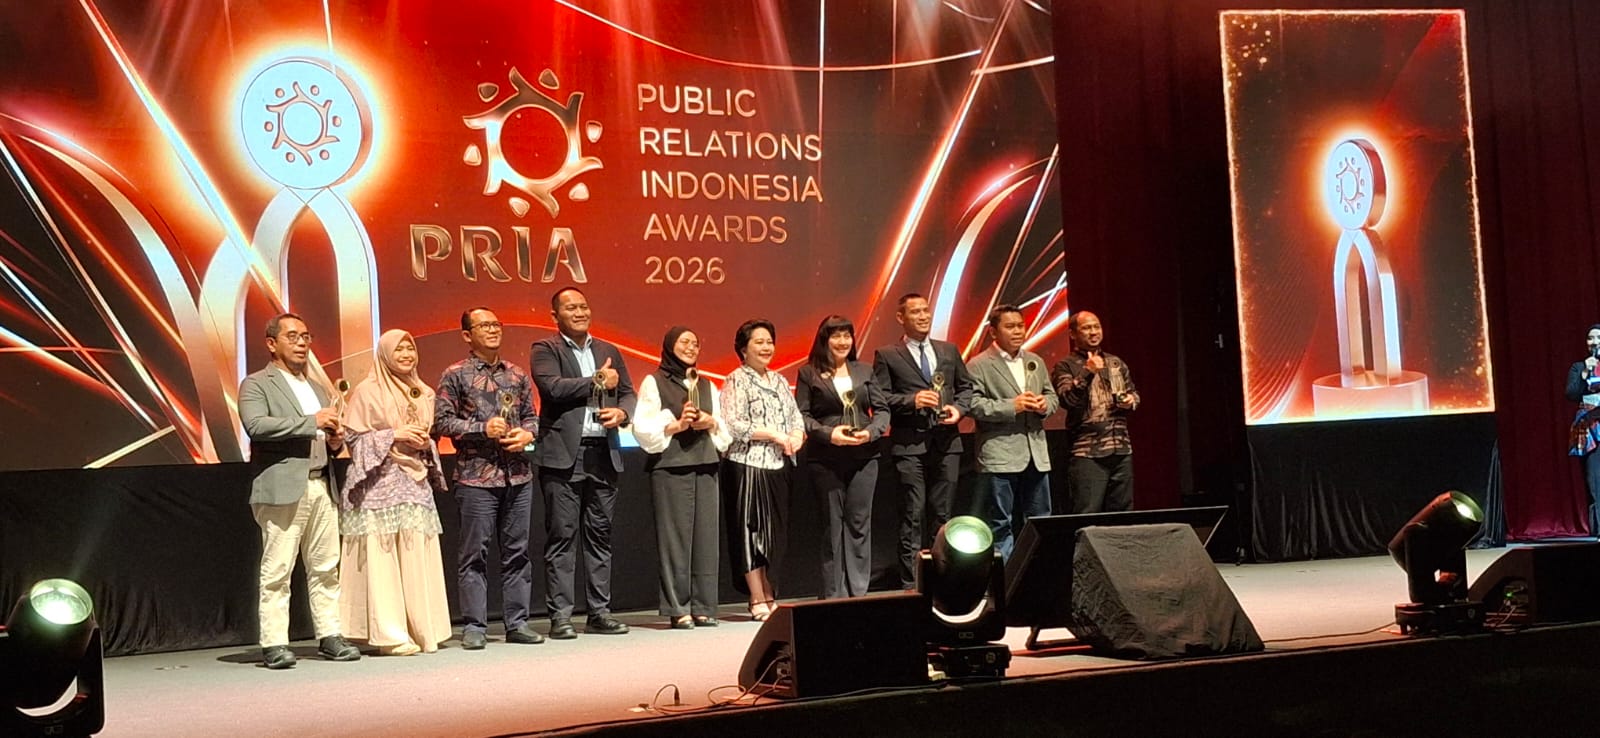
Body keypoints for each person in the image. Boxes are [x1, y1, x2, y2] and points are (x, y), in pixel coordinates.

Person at [238, 312, 361, 669]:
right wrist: (312, 422)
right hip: (282, 487)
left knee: (325, 566)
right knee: (278, 569)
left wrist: (335, 440)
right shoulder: (256, 384)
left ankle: (330, 634)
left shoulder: (318, 388)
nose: (302, 343)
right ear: (271, 343)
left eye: (306, 336)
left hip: (321, 482)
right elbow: (256, 425)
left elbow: (324, 435)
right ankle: (275, 642)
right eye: (292, 336)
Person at [336, 329, 453, 655]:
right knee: (382, 557)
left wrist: (423, 441)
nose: (406, 355)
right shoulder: (367, 391)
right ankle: (390, 635)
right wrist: (394, 435)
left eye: (410, 349)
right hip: (379, 485)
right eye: (398, 350)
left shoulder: (423, 392)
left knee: (416, 553)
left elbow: (428, 433)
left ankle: (422, 630)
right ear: (385, 354)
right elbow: (353, 439)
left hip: (414, 483)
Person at [530, 287, 637, 638]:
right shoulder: (545, 349)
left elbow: (628, 392)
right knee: (562, 535)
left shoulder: (608, 350)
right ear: (555, 316)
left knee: (600, 535)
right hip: (564, 456)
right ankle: (561, 616)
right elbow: (553, 388)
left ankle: (599, 612)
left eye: (584, 306)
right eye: (571, 307)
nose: (579, 312)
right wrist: (597, 380)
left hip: (603, 452)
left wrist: (622, 413)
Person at [434, 307, 543, 650]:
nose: (493, 330)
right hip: (475, 478)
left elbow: (531, 417)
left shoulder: (516, 374)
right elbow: (441, 423)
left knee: (517, 552)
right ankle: (474, 625)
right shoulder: (455, 374)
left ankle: (518, 622)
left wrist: (527, 434)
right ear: (467, 335)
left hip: (517, 476)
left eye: (496, 324)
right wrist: (483, 428)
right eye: (485, 326)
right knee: (474, 554)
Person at [871, 293, 974, 589]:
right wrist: (912, 400)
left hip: (946, 443)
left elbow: (966, 387)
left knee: (943, 515)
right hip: (909, 445)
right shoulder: (888, 354)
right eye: (915, 312)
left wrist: (959, 410)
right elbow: (880, 398)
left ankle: (943, 582)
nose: (923, 316)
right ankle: (912, 585)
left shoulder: (948, 350)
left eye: (926, 310)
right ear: (900, 317)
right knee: (912, 515)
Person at [632, 326, 732, 628]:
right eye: (684, 342)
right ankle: (678, 608)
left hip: (706, 463)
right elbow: (642, 427)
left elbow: (722, 428)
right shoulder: (655, 381)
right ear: (669, 346)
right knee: (675, 540)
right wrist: (676, 425)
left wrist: (710, 422)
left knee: (706, 539)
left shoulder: (707, 384)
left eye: (695, 343)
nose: (691, 347)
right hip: (671, 465)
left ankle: (703, 606)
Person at [796, 315, 890, 599]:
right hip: (826, 459)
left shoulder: (864, 370)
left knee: (859, 523)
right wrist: (829, 434)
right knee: (832, 525)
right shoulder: (808, 373)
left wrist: (871, 433)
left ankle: (858, 592)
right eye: (835, 336)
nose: (842, 341)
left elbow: (882, 410)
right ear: (824, 340)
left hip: (865, 457)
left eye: (847, 335)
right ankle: (833, 594)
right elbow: (801, 415)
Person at [720, 319, 805, 620]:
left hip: (778, 465)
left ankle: (770, 592)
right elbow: (734, 423)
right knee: (750, 533)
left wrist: (796, 435)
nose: (766, 347)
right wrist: (773, 434)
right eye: (759, 342)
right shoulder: (735, 379)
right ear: (743, 349)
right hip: (747, 465)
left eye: (769, 341)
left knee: (773, 536)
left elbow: (795, 417)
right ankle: (757, 597)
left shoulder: (779, 380)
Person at [967, 304, 1059, 561]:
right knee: (1000, 523)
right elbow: (972, 405)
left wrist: (1044, 405)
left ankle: (1038, 572)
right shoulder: (979, 364)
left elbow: (1052, 396)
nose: (1018, 331)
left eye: (1020, 326)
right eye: (1010, 327)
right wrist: (1012, 406)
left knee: (1041, 520)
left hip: (1036, 453)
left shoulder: (1034, 361)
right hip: (1000, 455)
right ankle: (1005, 577)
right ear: (993, 331)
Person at [1051, 310, 1138, 514]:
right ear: (1073, 334)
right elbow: (1067, 400)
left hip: (1121, 448)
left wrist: (1131, 401)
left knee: (1123, 512)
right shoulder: (1065, 365)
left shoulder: (1115, 362)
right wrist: (1087, 372)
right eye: (1086, 328)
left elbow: (1133, 392)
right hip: (1087, 452)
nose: (1093, 332)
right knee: (1087, 512)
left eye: (1096, 327)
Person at [1566, 323, 1600, 535]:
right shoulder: (1578, 367)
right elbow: (1571, 393)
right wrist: (1586, 372)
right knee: (1595, 480)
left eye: (1598, 338)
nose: (1594, 342)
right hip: (1591, 428)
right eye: (1590, 338)